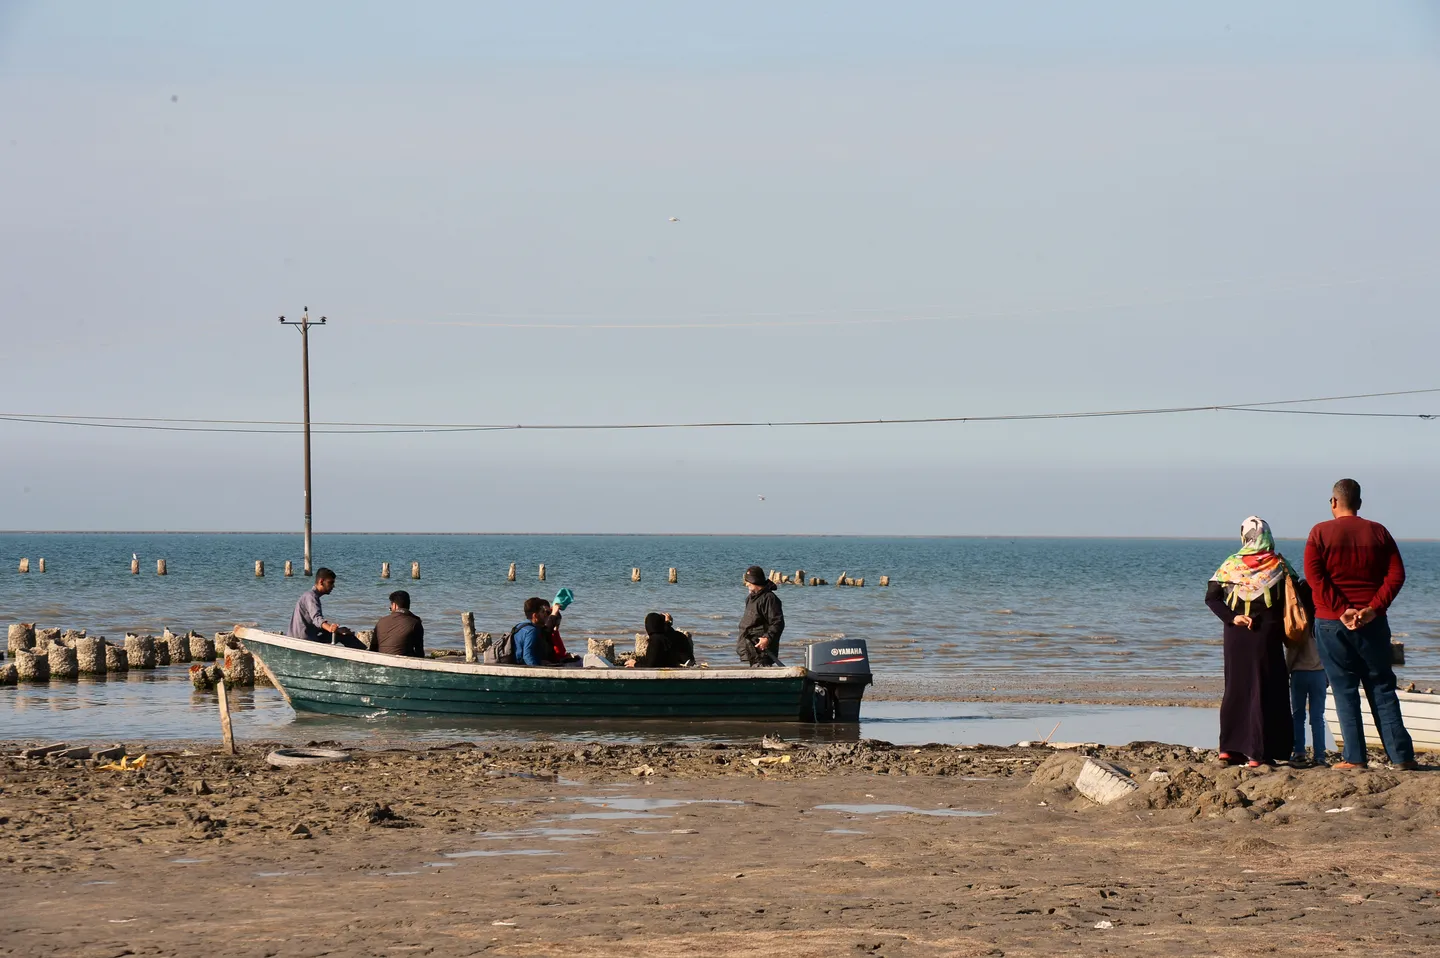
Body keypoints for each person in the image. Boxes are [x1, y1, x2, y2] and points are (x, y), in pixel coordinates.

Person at [1303, 478, 1416, 770]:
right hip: (1372, 623)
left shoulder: (1320, 532)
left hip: (1331, 621)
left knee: (1344, 689)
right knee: (1381, 686)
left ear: (1333, 502)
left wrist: (1341, 610)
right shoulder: (1378, 532)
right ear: (1360, 503)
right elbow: (1396, 576)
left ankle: (1354, 758)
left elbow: (1315, 579)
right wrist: (1373, 609)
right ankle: (1401, 757)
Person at [1204, 517, 1300, 767]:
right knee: (1265, 689)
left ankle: (1229, 749)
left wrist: (1233, 617)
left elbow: (1212, 598)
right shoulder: (1279, 564)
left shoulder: (1231, 565)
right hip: (1267, 635)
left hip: (1236, 635)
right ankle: (1259, 753)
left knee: (1236, 688)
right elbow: (1299, 594)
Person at [1287, 619, 1328, 767]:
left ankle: (1299, 752)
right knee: (1317, 716)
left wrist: (1286, 670)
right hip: (1319, 673)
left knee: (1298, 715)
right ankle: (1319, 755)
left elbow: (1292, 653)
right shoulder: (1322, 629)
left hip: (1300, 673)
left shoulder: (1299, 630)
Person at [736, 565, 784, 666]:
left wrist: (767, 638)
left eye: (748, 581)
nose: (746, 584)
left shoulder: (769, 599)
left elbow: (777, 622)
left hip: (761, 653)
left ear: (755, 581)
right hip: (749, 651)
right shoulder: (750, 598)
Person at [627, 612, 696, 668]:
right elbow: (668, 633)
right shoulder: (678, 635)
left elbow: (650, 665)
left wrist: (635, 664)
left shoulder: (656, 639)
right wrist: (668, 623)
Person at [289, 567, 341, 643]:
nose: (333, 586)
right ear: (321, 581)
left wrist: (338, 630)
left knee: (343, 633)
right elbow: (317, 619)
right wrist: (330, 628)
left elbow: (315, 624)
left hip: (307, 637)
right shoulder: (311, 597)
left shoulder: (313, 596)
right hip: (302, 640)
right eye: (330, 583)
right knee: (344, 637)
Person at [374, 590, 424, 658]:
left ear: (394, 605)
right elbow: (419, 651)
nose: (391, 610)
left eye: (390, 608)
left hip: (382, 660)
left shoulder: (381, 621)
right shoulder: (415, 622)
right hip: (405, 663)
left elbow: (373, 649)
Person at [513, 596, 556, 666]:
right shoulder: (532, 631)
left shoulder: (520, 626)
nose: (546, 615)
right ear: (535, 616)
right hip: (524, 667)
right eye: (543, 612)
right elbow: (527, 656)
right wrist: (539, 670)